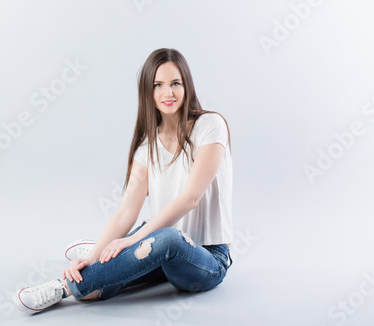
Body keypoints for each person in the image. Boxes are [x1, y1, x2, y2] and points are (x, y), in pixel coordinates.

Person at [13, 48, 234, 314]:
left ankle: (62, 289)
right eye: (158, 85)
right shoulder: (146, 147)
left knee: (167, 239)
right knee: (92, 294)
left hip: (206, 256)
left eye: (176, 83)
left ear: (186, 85)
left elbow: (191, 198)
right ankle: (96, 253)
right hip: (156, 247)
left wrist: (132, 241)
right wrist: (91, 261)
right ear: (148, 92)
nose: (169, 93)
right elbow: (126, 211)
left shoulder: (210, 125)